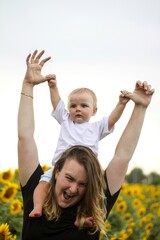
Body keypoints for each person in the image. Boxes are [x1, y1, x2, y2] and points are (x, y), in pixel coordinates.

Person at [18, 50, 154, 240]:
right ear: (56, 171)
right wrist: (28, 85)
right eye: (69, 178)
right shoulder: (37, 191)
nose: (73, 189)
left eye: (83, 184)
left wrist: (140, 107)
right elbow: (26, 138)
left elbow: (122, 157)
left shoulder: (97, 205)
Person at [29, 66, 130, 221]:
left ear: (94, 110)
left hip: (87, 172)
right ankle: (37, 206)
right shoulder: (66, 121)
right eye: (73, 106)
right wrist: (53, 87)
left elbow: (112, 119)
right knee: (42, 184)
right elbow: (57, 103)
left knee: (93, 193)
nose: (77, 109)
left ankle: (83, 218)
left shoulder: (96, 128)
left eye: (84, 106)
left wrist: (121, 104)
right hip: (59, 168)